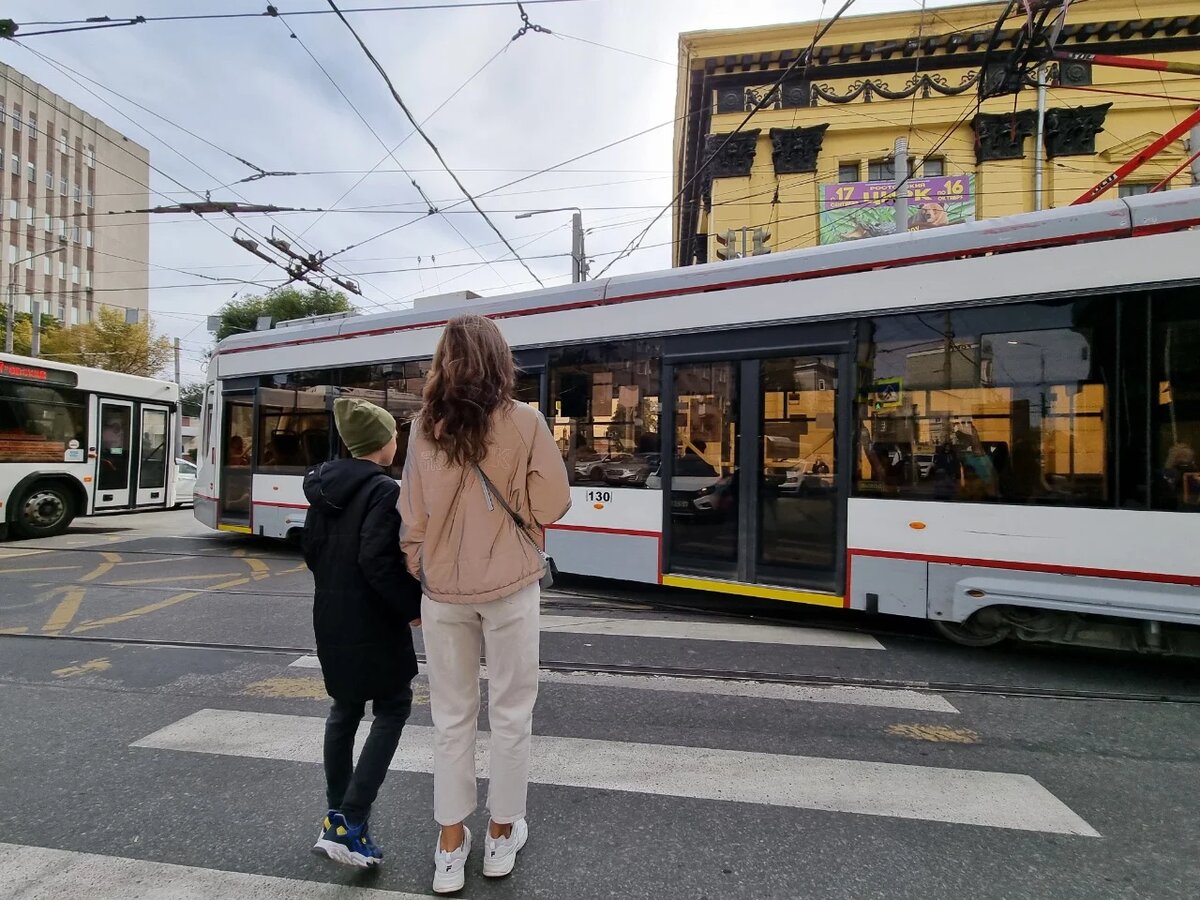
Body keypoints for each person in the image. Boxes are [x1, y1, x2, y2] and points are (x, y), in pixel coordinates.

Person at [400, 314, 571, 895]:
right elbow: (553, 504)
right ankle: (501, 835)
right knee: (511, 713)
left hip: (444, 592)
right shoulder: (524, 421)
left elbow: (411, 516)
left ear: (443, 360)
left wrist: (422, 566)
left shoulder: (425, 426)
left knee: (450, 718)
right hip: (510, 587)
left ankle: (450, 845)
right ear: (499, 359)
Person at [303, 397, 422, 869]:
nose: (398, 442)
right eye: (395, 435)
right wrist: (412, 608)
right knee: (393, 707)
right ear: (382, 443)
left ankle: (338, 815)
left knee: (345, 709)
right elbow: (378, 560)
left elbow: (311, 550)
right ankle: (350, 820)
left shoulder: (324, 488)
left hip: (330, 615)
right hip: (373, 620)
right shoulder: (383, 491)